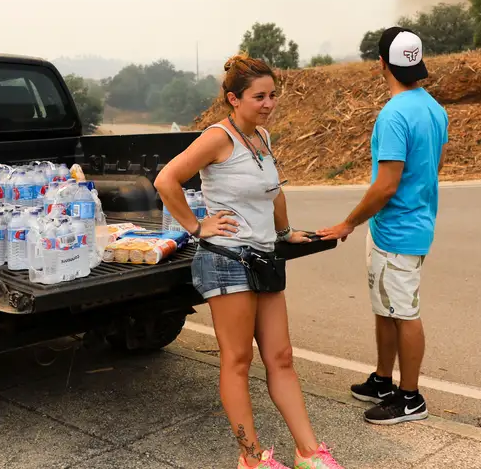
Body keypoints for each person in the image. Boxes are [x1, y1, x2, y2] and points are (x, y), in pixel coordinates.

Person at [155, 55, 344, 469]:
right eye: (259, 96)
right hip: (225, 260)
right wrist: (195, 225)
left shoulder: (263, 138)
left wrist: (284, 232)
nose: (268, 103)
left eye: (273, 95)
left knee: (282, 358)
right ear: (233, 99)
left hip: (263, 257)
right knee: (237, 361)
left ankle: (309, 453)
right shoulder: (217, 138)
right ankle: (252, 458)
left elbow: (274, 192)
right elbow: (166, 179)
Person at [317, 27, 448, 426]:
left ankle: (409, 398)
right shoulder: (434, 109)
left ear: (381, 64)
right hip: (412, 222)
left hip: (396, 229)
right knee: (386, 306)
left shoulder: (393, 114)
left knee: (403, 311)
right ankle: (383, 380)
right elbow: (434, 168)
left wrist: (348, 223)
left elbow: (387, 183)